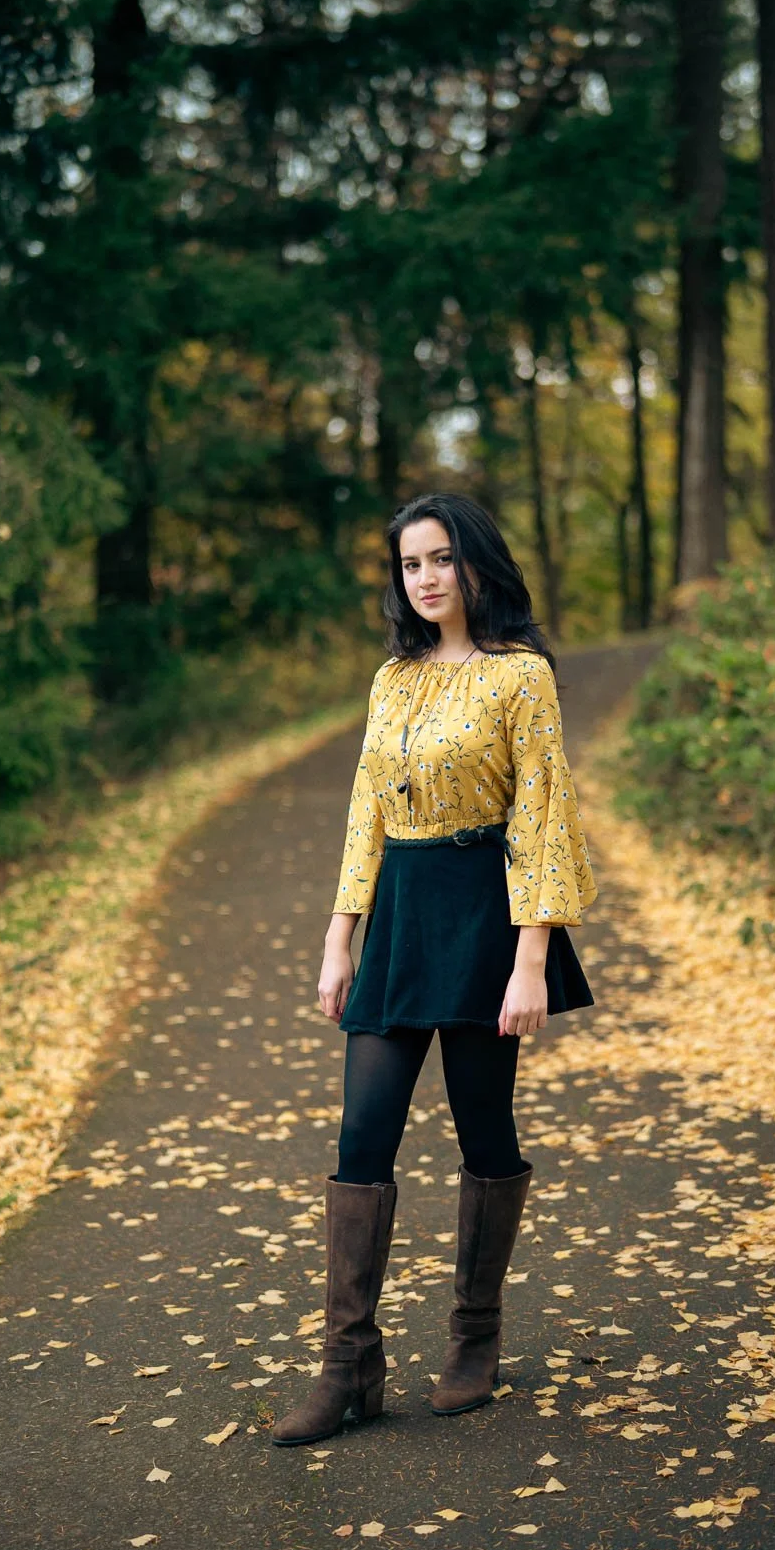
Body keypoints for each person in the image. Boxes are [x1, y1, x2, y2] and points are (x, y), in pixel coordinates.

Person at [270, 491, 597, 1447]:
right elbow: (366, 808)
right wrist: (341, 936)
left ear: (476, 564)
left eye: (442, 559)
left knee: (482, 1128)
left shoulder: (519, 676)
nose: (426, 579)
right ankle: (349, 1370)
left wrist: (530, 959)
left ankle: (475, 1340)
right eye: (411, 564)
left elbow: (542, 813)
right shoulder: (392, 680)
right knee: (361, 1134)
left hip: (482, 918)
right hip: (401, 915)